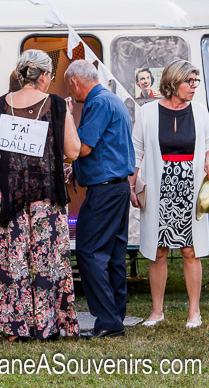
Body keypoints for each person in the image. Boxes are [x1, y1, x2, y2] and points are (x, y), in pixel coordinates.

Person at [0, 50, 81, 341]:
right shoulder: (55, 105)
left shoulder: (2, 104)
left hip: (10, 198)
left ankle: (14, 327)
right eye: (50, 75)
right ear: (45, 76)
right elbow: (73, 151)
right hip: (44, 200)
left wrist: (17, 167)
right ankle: (46, 324)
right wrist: (70, 117)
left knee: (13, 260)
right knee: (46, 261)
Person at [131, 60, 209, 328]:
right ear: (172, 83)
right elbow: (135, 152)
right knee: (159, 250)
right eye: (188, 82)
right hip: (159, 186)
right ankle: (157, 311)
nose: (193, 87)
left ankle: (194, 312)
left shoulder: (200, 112)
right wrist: (133, 185)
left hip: (189, 187)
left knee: (191, 250)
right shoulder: (147, 112)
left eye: (196, 82)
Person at [65, 59, 135, 339]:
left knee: (88, 251)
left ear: (74, 82)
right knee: (114, 254)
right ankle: (116, 314)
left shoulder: (97, 103)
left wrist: (69, 116)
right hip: (118, 187)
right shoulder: (112, 100)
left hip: (104, 190)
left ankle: (107, 320)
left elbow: (82, 148)